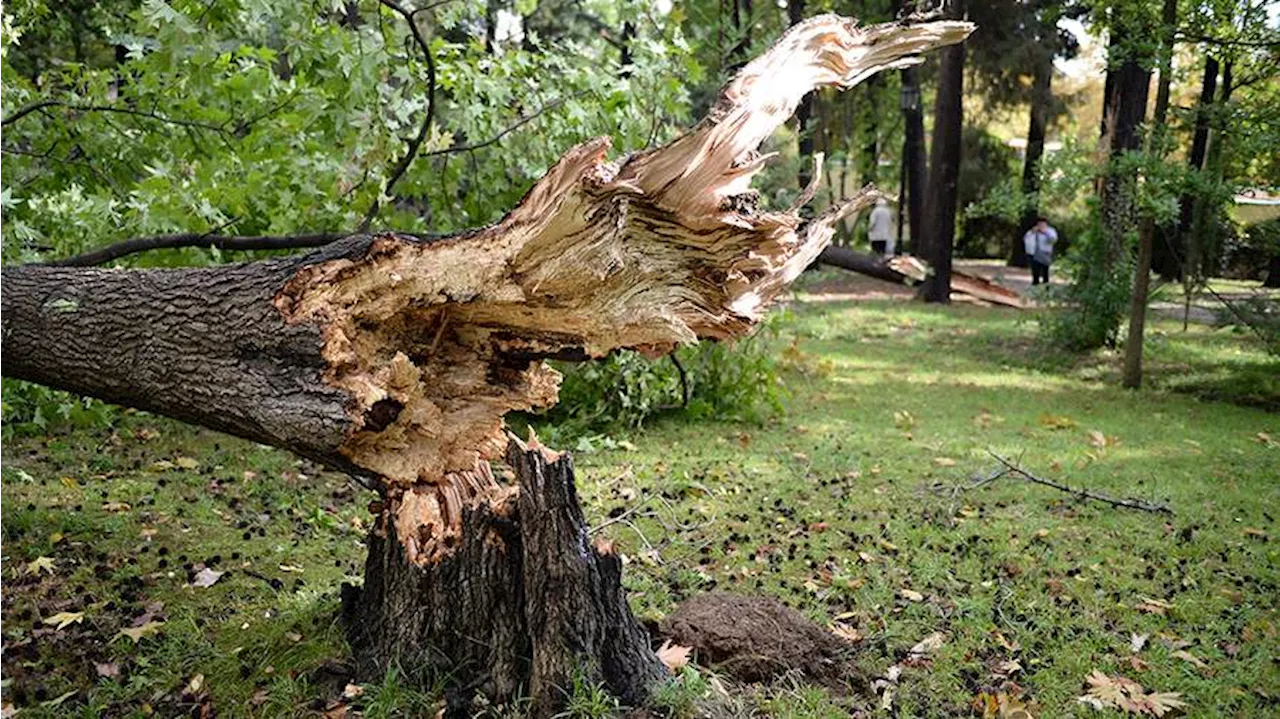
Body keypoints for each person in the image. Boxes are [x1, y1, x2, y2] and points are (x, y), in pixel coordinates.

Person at [1023, 216, 1058, 285]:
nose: (1041, 225)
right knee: (1035, 270)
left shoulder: (1050, 231)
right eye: (1039, 224)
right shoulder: (1033, 231)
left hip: (1046, 253)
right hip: (1034, 253)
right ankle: (1035, 283)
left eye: (1042, 224)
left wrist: (1045, 232)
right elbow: (1026, 239)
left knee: (1045, 271)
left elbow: (1053, 240)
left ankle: (1046, 285)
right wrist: (1032, 232)